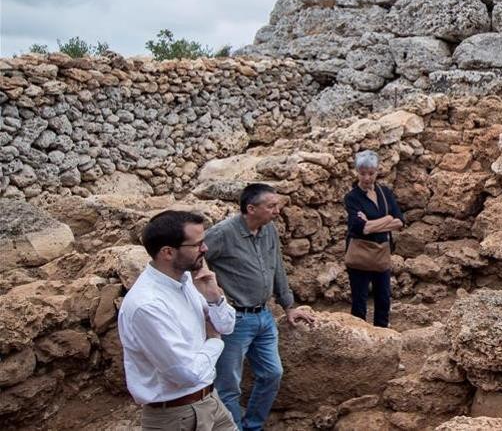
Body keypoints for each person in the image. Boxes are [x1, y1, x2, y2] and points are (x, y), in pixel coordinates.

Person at [204, 183, 316, 431]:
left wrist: (288, 306)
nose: (277, 210)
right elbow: (195, 259)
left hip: (264, 315)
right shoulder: (223, 233)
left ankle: (252, 426)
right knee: (228, 386)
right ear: (251, 208)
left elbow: (277, 267)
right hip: (235, 320)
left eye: (277, 205)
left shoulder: (269, 230)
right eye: (271, 206)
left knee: (272, 374)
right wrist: (208, 299)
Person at [118, 210, 238, 430]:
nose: (205, 249)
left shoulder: (188, 281)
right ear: (168, 252)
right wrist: (214, 341)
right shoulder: (148, 305)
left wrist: (214, 298)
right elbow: (185, 374)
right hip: (175, 416)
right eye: (197, 244)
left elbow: (227, 326)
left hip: (211, 401)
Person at [343, 150, 405, 327]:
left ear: (377, 171)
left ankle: (382, 334)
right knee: (359, 300)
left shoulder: (385, 193)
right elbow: (361, 227)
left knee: (383, 298)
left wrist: (373, 224)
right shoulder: (352, 197)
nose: (367, 178)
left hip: (381, 253)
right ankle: (359, 336)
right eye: (362, 173)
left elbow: (399, 221)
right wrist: (386, 219)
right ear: (357, 172)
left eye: (371, 173)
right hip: (360, 255)